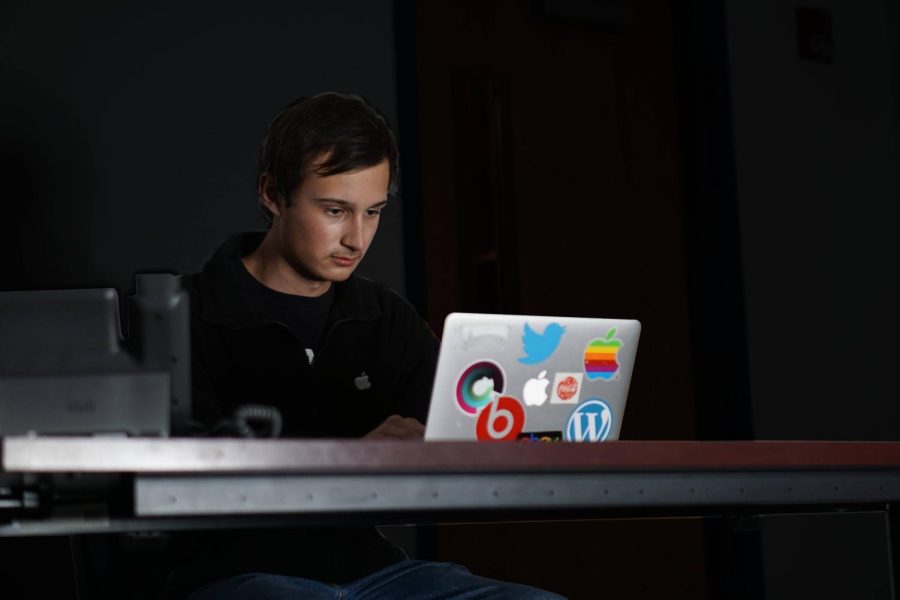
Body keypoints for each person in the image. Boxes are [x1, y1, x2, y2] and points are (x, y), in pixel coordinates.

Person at [170, 92, 564, 599]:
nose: (357, 239)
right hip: (234, 574)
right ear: (272, 194)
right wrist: (355, 457)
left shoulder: (383, 317)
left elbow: (451, 438)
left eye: (373, 212)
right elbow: (181, 477)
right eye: (335, 210)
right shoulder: (184, 314)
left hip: (373, 573)